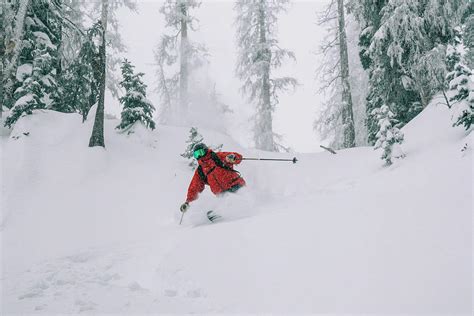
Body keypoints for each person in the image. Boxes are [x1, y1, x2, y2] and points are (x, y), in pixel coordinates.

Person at [180, 143, 246, 214]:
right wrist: (188, 202)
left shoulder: (217, 157)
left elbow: (237, 157)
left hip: (236, 185)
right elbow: (195, 186)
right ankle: (223, 214)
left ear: (205, 150)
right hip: (221, 194)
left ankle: (246, 207)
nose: (199, 156)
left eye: (200, 152)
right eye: (196, 154)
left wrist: (232, 157)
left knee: (238, 201)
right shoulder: (200, 170)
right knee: (227, 204)